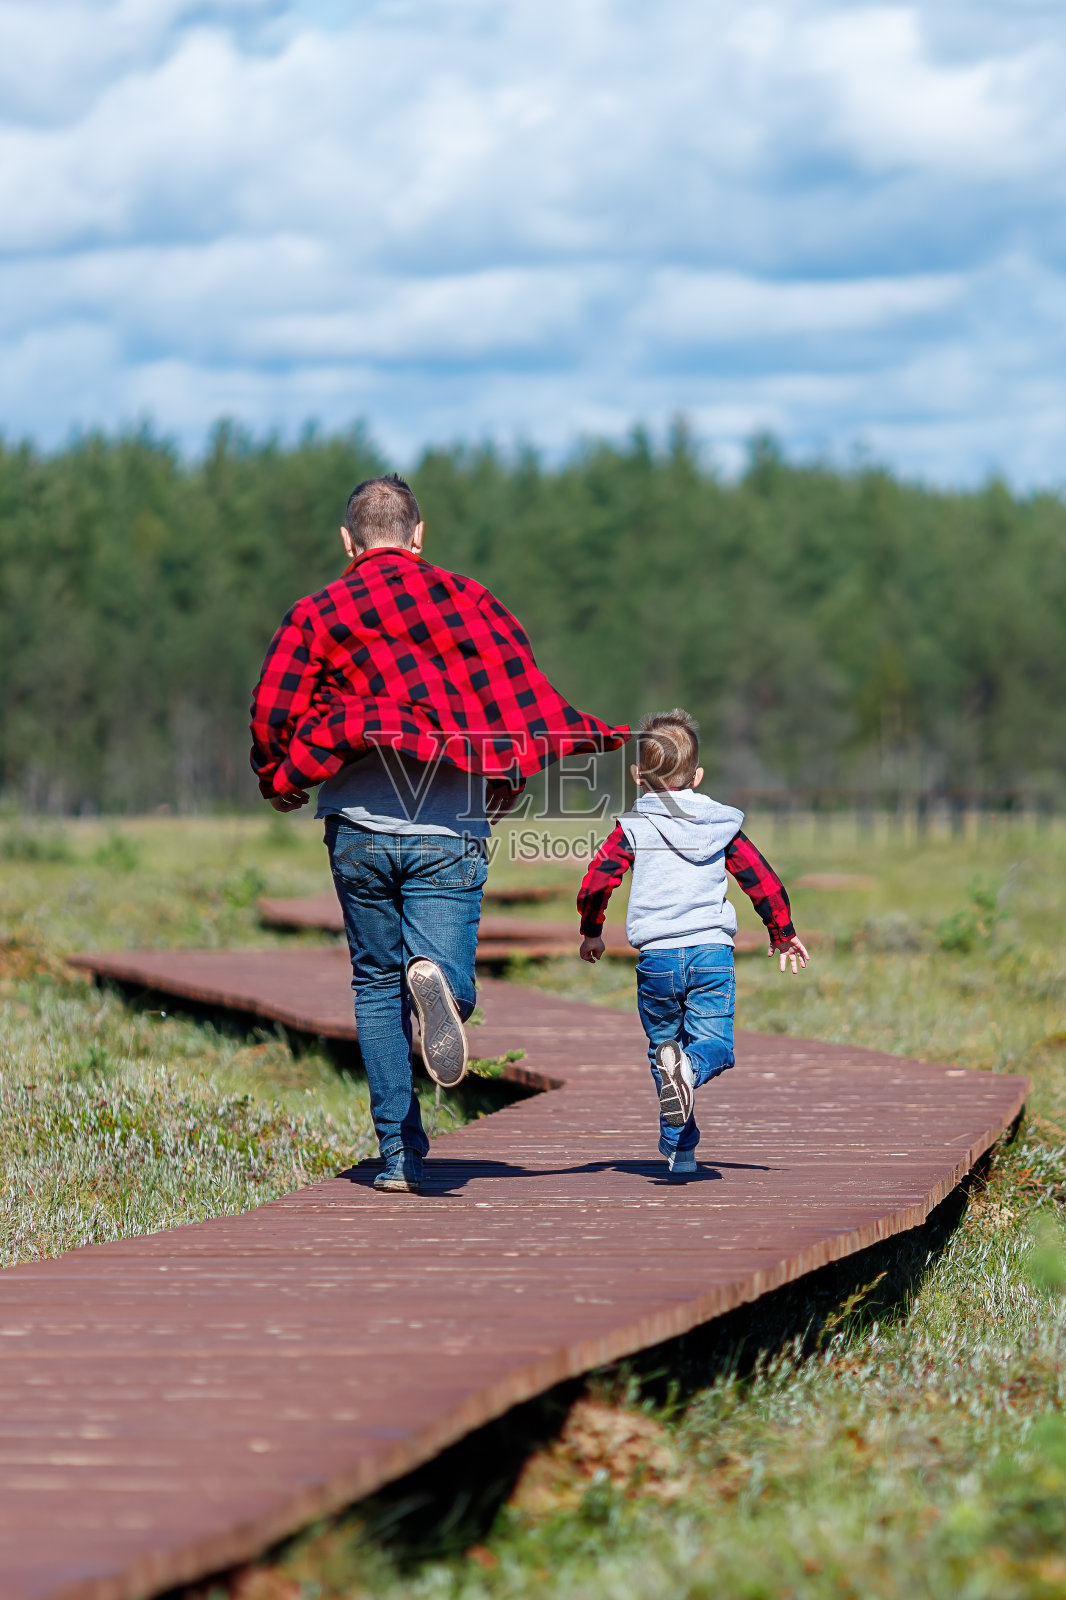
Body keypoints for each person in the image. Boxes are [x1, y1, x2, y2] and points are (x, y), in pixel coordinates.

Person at [250, 474, 626, 1194]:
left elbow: (274, 707)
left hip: (357, 823)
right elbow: (514, 702)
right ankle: (446, 994)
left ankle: (399, 1155)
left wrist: (280, 776)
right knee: (439, 974)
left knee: (371, 983)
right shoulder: (471, 603)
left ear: (348, 541)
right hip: (447, 820)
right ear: (419, 535)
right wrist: (504, 784)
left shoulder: (319, 610)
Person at [576, 708, 808, 1176]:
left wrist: (592, 930)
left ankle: (680, 1151)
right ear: (698, 775)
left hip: (656, 959)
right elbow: (758, 878)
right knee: (714, 1046)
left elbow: (598, 880)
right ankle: (691, 1076)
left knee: (665, 1051)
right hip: (709, 955)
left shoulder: (632, 828)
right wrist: (782, 931)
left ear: (638, 776)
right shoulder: (720, 826)